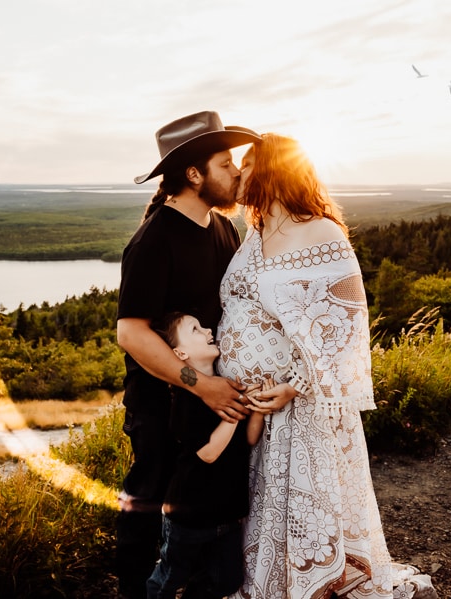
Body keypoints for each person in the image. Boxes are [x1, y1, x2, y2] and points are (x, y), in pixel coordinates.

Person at [217, 134, 438, 599]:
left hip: (301, 409)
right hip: (254, 412)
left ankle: (313, 585)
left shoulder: (322, 233)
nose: (241, 172)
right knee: (263, 509)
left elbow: (347, 323)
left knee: (307, 510)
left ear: (277, 169)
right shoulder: (252, 236)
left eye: (251, 163)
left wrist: (294, 386)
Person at [115, 111, 261, 599]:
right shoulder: (154, 239)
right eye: (225, 163)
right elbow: (132, 333)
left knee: (208, 512)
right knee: (149, 504)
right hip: (161, 407)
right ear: (194, 174)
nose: (237, 171)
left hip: (211, 405)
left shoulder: (223, 229)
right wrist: (202, 385)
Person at [146, 312, 266, 599]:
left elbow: (249, 440)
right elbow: (209, 453)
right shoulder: (186, 400)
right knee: (170, 577)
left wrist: (257, 408)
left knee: (226, 579)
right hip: (188, 516)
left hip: (227, 515)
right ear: (180, 353)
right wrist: (236, 410)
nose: (208, 330)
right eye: (195, 329)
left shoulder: (226, 386)